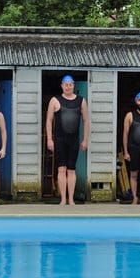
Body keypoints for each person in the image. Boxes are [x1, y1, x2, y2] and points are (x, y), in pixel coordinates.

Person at [45, 75, 89, 205]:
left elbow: (86, 121)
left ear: (73, 85)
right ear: (62, 85)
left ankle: (71, 199)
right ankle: (63, 199)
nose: (68, 87)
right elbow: (49, 120)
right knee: (61, 169)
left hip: (74, 140)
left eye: (70, 84)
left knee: (71, 169)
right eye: (66, 84)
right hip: (59, 140)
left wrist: (85, 139)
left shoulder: (81, 101)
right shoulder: (55, 100)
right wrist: (49, 139)